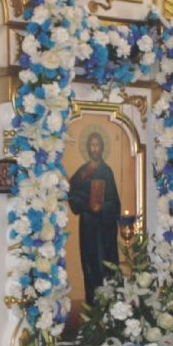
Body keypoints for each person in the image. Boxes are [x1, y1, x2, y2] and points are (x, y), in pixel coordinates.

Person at [67, 129, 122, 300]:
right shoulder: (83, 172)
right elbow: (70, 191)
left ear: (102, 147)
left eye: (97, 145)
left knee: (104, 265)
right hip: (88, 226)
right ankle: (92, 304)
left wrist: (103, 207)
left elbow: (114, 201)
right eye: (92, 145)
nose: (95, 148)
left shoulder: (107, 171)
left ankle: (108, 304)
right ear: (88, 148)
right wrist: (86, 204)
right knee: (90, 265)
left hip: (104, 229)